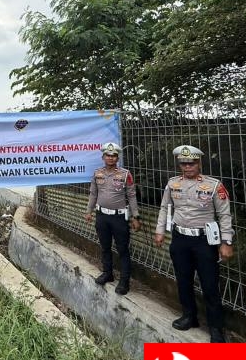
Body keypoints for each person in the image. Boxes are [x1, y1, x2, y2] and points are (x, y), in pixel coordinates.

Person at [154, 145, 234, 343]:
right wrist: (159, 230)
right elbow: (165, 207)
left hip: (204, 240)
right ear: (179, 164)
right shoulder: (173, 184)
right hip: (180, 239)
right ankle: (189, 316)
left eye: (192, 163)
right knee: (183, 280)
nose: (188, 167)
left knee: (210, 284)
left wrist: (226, 241)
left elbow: (224, 215)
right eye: (184, 163)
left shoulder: (214, 185)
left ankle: (216, 328)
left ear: (199, 163)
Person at [84, 142, 141, 295]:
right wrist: (89, 211)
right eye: (108, 155)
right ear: (103, 157)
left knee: (122, 249)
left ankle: (124, 281)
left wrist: (136, 216)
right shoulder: (97, 173)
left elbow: (131, 195)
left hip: (119, 218)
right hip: (102, 217)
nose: (110, 158)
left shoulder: (125, 174)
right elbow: (93, 194)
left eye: (114, 155)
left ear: (117, 158)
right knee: (105, 247)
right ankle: (107, 273)